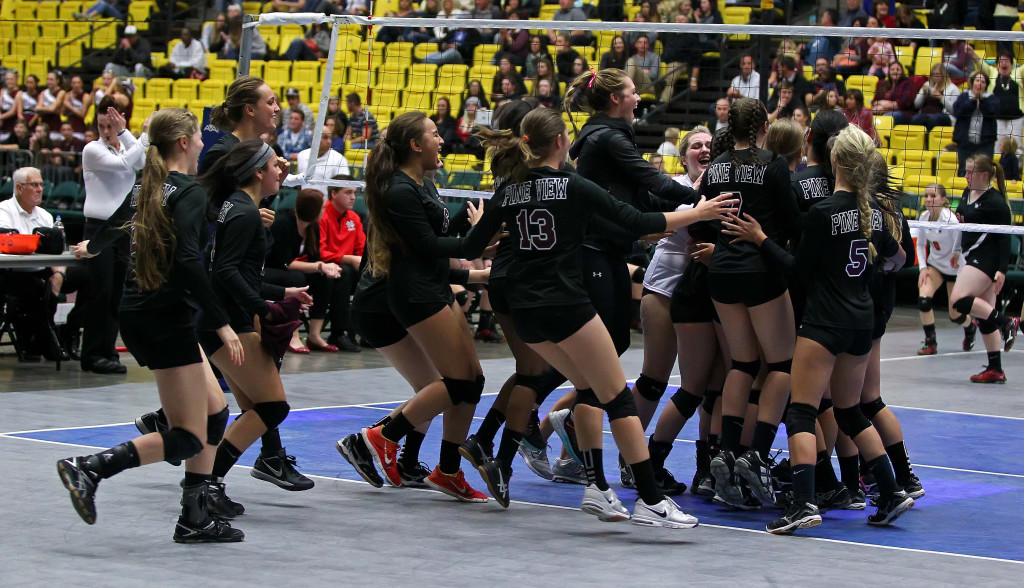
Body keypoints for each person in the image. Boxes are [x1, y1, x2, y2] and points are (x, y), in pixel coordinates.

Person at [471, 107, 735, 519]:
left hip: (525, 313)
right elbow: (636, 219)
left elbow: (469, 247)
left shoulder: (509, 191)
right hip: (566, 304)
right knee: (617, 398)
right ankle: (651, 502)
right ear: (560, 142)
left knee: (590, 388)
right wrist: (699, 211)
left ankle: (595, 486)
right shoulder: (571, 184)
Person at [57, 108, 245, 543]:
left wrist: (93, 244)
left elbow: (118, 221)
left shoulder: (147, 183)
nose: (202, 145)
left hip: (143, 310)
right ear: (183, 142)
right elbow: (186, 263)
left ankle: (195, 517)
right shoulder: (188, 192)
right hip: (164, 315)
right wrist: (221, 322)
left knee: (216, 413)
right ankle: (91, 468)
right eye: (198, 138)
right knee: (187, 438)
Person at [721, 125, 914, 534]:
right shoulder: (877, 213)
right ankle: (892, 490)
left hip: (824, 322)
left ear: (835, 162)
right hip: (862, 322)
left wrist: (760, 239)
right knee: (849, 410)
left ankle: (804, 503)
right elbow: (899, 262)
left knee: (802, 412)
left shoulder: (824, 212)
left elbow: (797, 271)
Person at [348, 111, 494, 501]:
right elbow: (427, 248)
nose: (442, 139)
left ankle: (448, 471)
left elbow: (434, 250)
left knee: (473, 383)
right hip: (414, 294)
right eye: (433, 134)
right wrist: (476, 240)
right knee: (455, 382)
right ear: (415, 145)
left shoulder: (424, 185)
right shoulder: (399, 190)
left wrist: (476, 255)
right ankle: (381, 436)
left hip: (433, 287)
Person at [194, 139, 313, 513]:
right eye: (276, 166)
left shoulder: (237, 205)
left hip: (220, 319)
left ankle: (205, 485)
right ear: (259, 172)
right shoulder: (244, 211)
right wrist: (263, 306)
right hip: (230, 322)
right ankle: (205, 484)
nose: (282, 170)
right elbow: (225, 272)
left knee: (256, 410)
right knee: (274, 407)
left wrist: (281, 292)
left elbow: (239, 270)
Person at [702, 97, 799, 510]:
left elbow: (705, 216)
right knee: (780, 364)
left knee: (742, 363)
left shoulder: (717, 163)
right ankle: (755, 454)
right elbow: (794, 223)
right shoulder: (773, 164)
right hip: (760, 269)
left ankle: (724, 450)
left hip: (720, 269)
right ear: (764, 125)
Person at [628, 126, 720, 494]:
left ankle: (706, 467)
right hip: (665, 291)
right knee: (654, 379)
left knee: (709, 385)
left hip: (704, 296)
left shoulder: (719, 185)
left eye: (710, 145)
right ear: (683, 158)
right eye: (696, 146)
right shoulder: (677, 188)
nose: (704, 149)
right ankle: (631, 460)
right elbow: (649, 227)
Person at [76, 100, 149, 374]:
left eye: (112, 125)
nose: (107, 131)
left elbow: (140, 161)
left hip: (123, 230)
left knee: (118, 293)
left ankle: (108, 351)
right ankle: (93, 354)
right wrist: (142, 136)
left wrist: (127, 135)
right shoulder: (92, 149)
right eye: (102, 126)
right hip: (98, 229)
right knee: (101, 292)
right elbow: (122, 165)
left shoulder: (123, 146)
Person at [951, 154, 1019, 383]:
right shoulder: (966, 193)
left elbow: (1004, 239)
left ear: (984, 175)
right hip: (971, 255)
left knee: (958, 300)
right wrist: (956, 251)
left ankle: (1007, 322)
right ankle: (995, 369)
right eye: (966, 171)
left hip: (986, 259)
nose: (966, 175)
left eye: (970, 172)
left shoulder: (996, 202)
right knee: (984, 316)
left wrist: (1001, 271)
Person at [0, 167, 72, 360]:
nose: (40, 189)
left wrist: (59, 274)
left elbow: (57, 252)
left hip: (43, 270)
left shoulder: (46, 216)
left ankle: (69, 332)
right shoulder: (4, 211)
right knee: (36, 288)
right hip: (13, 274)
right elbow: (9, 243)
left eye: (41, 184)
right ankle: (44, 340)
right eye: (34, 184)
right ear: (19, 188)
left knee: (91, 279)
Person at [915, 183, 969, 355]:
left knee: (955, 315)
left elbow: (961, 251)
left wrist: (961, 278)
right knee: (923, 300)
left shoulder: (950, 221)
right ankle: (931, 342)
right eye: (926, 196)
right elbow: (921, 244)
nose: (929, 199)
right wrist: (923, 268)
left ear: (943, 199)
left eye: (933, 196)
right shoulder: (923, 217)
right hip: (936, 266)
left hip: (955, 269)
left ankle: (971, 328)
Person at [316, 176, 366, 351]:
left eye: (354, 193)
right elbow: (320, 252)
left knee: (372, 273)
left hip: (350, 269)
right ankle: (338, 333)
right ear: (334, 194)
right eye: (348, 192)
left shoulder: (354, 217)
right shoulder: (322, 215)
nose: (353, 197)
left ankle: (365, 331)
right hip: (327, 269)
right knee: (344, 272)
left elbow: (361, 248)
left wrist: (360, 261)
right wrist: (348, 258)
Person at [973, 49, 1024, 153]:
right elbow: (980, 64)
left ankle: (1016, 168)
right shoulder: (993, 73)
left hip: (1016, 119)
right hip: (997, 119)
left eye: (1006, 61)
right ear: (997, 64)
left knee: (1016, 147)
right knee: (997, 148)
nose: (1004, 63)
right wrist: (971, 53)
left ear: (1011, 64)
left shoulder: (1018, 73)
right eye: (1001, 61)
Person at [953, 72, 1000, 175]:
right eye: (977, 80)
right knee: (964, 170)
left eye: (983, 82)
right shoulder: (964, 96)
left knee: (984, 171)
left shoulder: (991, 98)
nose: (979, 84)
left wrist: (982, 100)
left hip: (985, 143)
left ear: (986, 85)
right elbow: (958, 111)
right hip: (965, 143)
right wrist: (973, 100)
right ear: (972, 82)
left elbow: (991, 112)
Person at [285, 127, 350, 195]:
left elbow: (343, 187)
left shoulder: (339, 159)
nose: (329, 141)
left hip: (327, 203)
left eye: (330, 138)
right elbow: (300, 184)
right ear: (314, 138)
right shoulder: (302, 155)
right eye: (325, 138)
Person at [912, 63, 959, 130]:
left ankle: (930, 139)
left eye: (938, 74)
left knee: (933, 120)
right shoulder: (927, 85)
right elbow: (916, 105)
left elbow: (954, 109)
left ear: (944, 75)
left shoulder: (953, 88)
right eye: (933, 74)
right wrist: (923, 94)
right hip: (925, 114)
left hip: (944, 116)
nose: (935, 77)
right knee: (916, 119)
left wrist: (941, 97)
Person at [35, 72, 65, 141]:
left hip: (55, 124)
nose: (49, 81)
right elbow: (37, 108)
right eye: (47, 79)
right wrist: (50, 109)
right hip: (44, 123)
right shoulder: (43, 92)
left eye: (51, 79)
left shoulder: (61, 92)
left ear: (57, 80)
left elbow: (53, 108)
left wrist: (43, 108)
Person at [62, 76, 93, 140]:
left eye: (78, 83)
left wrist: (69, 106)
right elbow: (63, 113)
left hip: (80, 128)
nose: (76, 85)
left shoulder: (85, 96)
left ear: (81, 84)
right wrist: (66, 104)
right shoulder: (68, 95)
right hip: (69, 127)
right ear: (71, 84)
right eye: (74, 83)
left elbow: (82, 115)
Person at [1, 70, 20, 140]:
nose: (9, 81)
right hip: (3, 124)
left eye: (11, 79)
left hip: (12, 122)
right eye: (7, 79)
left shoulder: (19, 93)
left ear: (16, 80)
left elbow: (13, 111)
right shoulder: (3, 91)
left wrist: (1, 117)